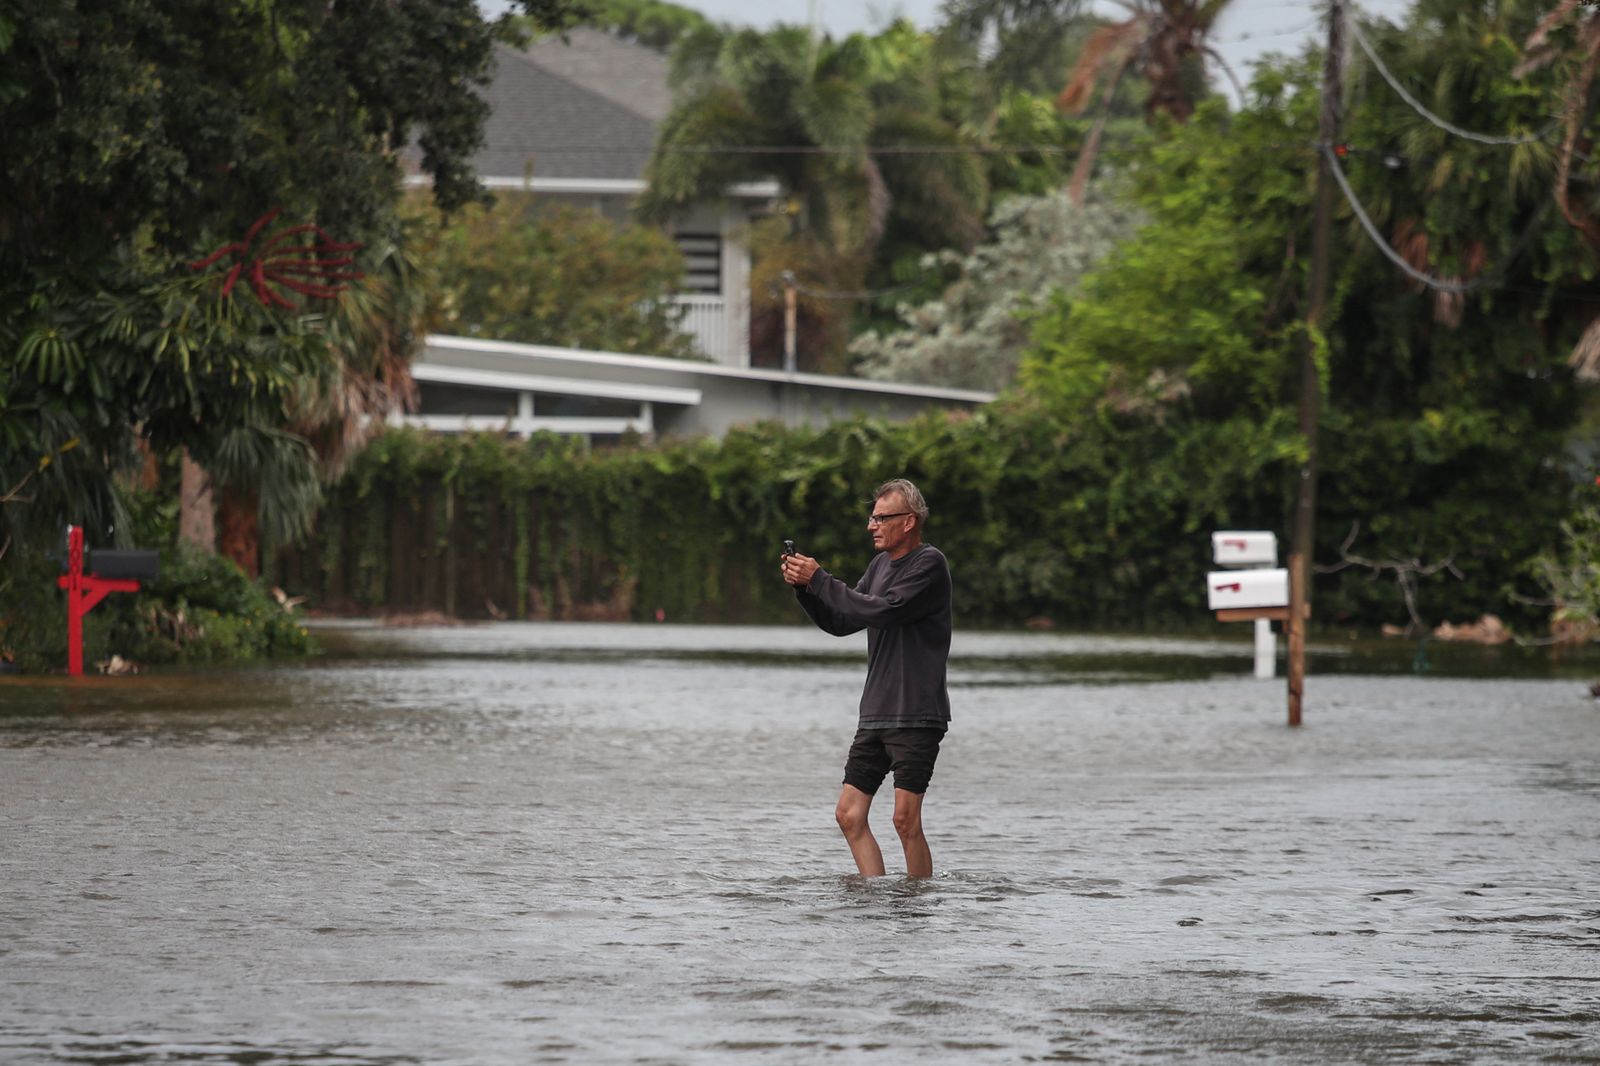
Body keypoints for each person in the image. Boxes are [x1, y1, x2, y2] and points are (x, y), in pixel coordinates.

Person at [780, 478, 952, 878]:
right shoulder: (878, 566)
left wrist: (820, 578)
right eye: (871, 518)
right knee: (849, 815)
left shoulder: (929, 564)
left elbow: (884, 610)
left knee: (905, 821)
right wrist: (806, 589)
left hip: (916, 715)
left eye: (880, 518)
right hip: (875, 713)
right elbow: (844, 620)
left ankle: (915, 906)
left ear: (908, 522)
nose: (871, 525)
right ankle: (875, 898)